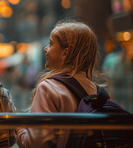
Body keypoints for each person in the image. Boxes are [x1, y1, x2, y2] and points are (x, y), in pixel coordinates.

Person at [16, 20, 102, 148]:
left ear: (65, 53)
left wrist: (19, 130)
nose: (45, 49)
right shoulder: (97, 91)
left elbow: (36, 144)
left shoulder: (48, 88)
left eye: (51, 44)